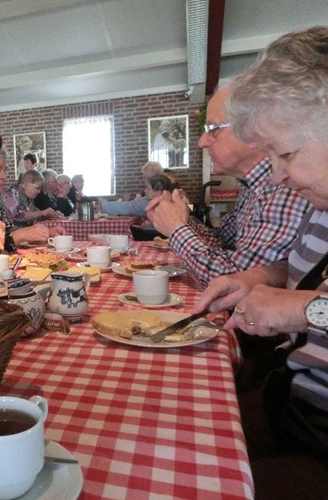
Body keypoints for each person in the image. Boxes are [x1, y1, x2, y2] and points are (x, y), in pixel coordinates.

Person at [192, 27, 328, 498]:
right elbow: (304, 272)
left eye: (285, 153)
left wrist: (300, 309)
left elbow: (312, 304)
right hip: (288, 398)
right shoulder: (322, 201)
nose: (275, 174)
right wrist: (260, 277)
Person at [146, 86, 311, 287]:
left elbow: (234, 281)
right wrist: (184, 219)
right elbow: (220, 242)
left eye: (212, 129)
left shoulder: (286, 188)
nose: (201, 142)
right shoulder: (251, 187)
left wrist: (176, 228)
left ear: (252, 132)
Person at [0, 150, 65, 252]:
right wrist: (21, 235)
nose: (4, 177)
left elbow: (8, 235)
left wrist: (46, 231)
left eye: (5, 170)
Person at [100, 161, 164, 216]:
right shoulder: (166, 193)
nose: (145, 182)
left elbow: (129, 207)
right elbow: (130, 206)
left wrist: (103, 206)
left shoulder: (152, 199)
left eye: (145, 178)